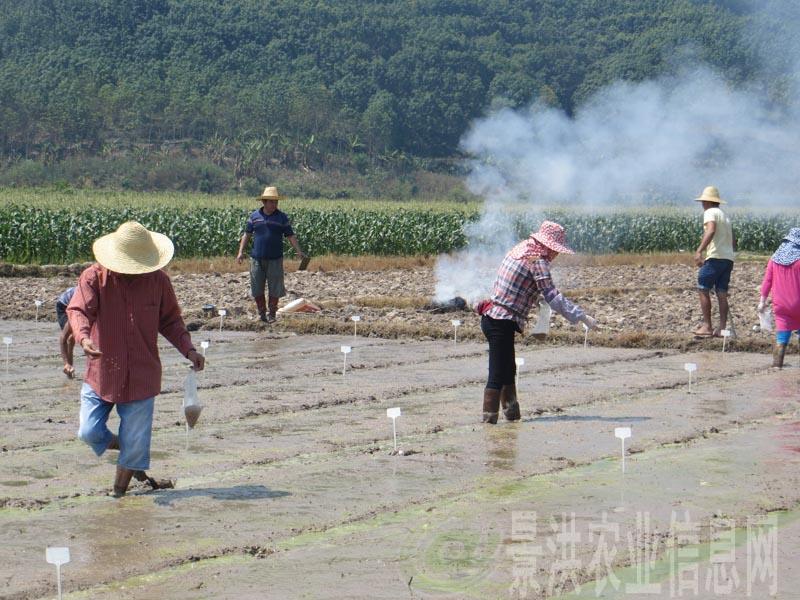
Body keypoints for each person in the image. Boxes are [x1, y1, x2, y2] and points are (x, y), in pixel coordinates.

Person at [68, 221, 205, 498]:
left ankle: (118, 494)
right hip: (102, 371)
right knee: (88, 432)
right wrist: (84, 339)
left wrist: (189, 350)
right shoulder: (94, 278)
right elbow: (78, 310)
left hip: (142, 374)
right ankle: (127, 446)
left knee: (135, 444)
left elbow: (171, 322)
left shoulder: (158, 281)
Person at [476, 221, 598, 424]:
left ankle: (512, 418)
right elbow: (552, 295)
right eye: (555, 251)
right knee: (497, 374)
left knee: (508, 371)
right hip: (500, 320)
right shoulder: (537, 260)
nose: (556, 255)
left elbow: (526, 286)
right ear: (549, 246)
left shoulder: (522, 248)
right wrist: (582, 317)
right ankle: (489, 425)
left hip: (495, 317)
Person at [236, 186, 307, 323]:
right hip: (257, 258)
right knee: (257, 287)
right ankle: (262, 313)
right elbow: (247, 234)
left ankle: (272, 314)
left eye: (276, 202)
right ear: (264, 202)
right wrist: (240, 252)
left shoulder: (282, 217)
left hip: (275, 258)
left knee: (275, 287)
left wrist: (299, 251)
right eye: (272, 202)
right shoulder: (254, 217)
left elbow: (290, 236)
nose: (275, 205)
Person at [693, 186, 736, 338]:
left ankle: (707, 326)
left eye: (703, 201)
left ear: (708, 202)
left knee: (703, 288)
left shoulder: (710, 212)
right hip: (728, 259)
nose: (702, 204)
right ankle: (722, 329)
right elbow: (733, 241)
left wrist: (699, 251)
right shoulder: (725, 216)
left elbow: (710, 230)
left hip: (715, 257)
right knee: (722, 293)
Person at [758, 227, 800, 368]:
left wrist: (762, 302)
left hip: (780, 305)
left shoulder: (774, 259)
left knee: (781, 338)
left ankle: (777, 366)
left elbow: (767, 282)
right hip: (798, 303)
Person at [56, 286, 76, 378]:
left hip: (74, 302)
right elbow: (62, 338)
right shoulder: (77, 306)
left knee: (72, 338)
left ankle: (70, 370)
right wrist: (66, 363)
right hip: (63, 306)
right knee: (70, 337)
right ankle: (68, 367)